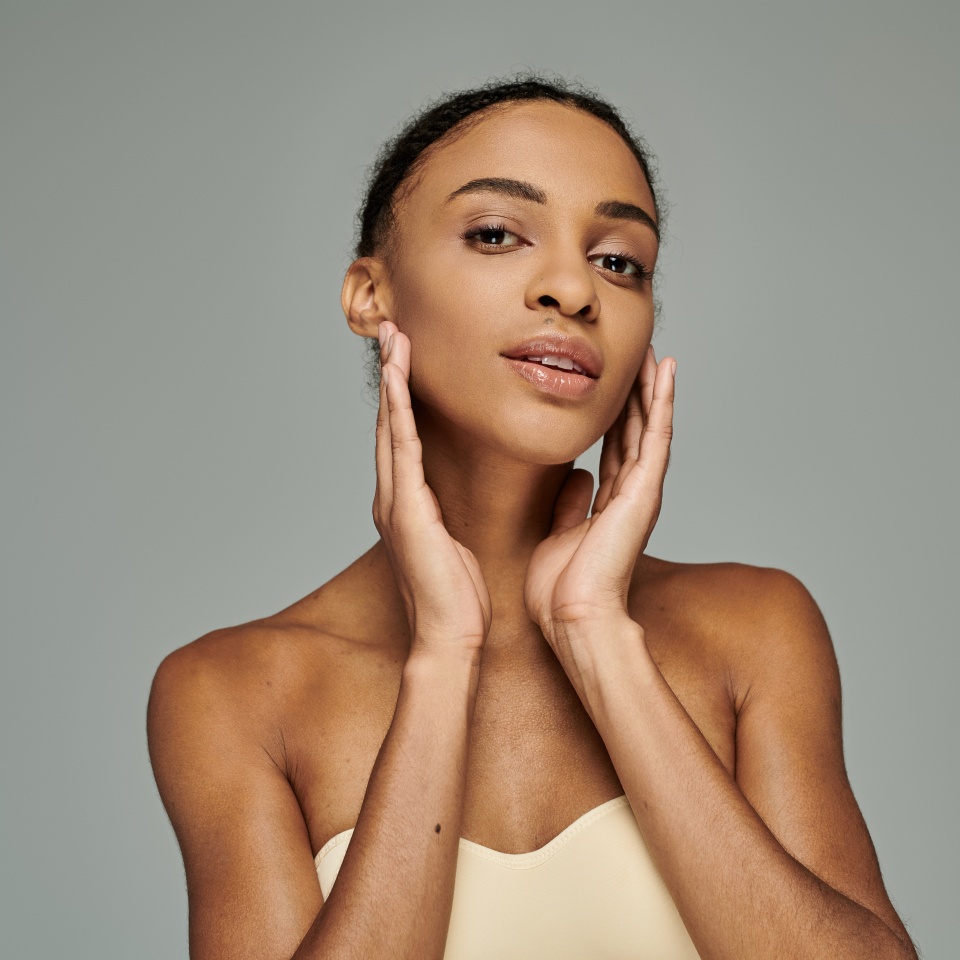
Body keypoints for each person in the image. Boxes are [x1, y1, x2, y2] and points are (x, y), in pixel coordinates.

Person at [147, 76, 918, 960]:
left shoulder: (757, 631)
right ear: (371, 294)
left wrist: (597, 632)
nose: (573, 289)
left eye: (619, 260)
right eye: (496, 235)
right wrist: (443, 656)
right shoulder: (230, 692)